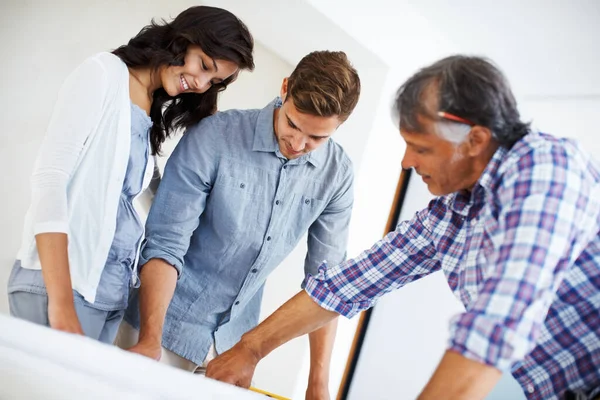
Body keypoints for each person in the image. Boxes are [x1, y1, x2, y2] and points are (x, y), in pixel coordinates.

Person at [204, 55, 600, 400]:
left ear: (475, 140)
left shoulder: (546, 171)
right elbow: (347, 284)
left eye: (422, 148)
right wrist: (250, 350)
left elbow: (495, 328)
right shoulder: (450, 213)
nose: (406, 162)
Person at [115, 50, 361, 400]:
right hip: (157, 326)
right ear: (285, 88)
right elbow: (167, 243)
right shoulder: (215, 136)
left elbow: (328, 284)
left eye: (317, 138)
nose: (298, 143)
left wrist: (318, 385)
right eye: (292, 123)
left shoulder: (337, 175)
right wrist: (150, 340)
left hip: (232, 351)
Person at [7, 6, 254, 345]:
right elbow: (50, 180)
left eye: (214, 82)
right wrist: (61, 302)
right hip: (65, 289)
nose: (200, 84)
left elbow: (160, 197)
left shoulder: (148, 108)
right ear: (184, 39)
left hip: (107, 297)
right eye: (204, 66)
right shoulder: (103, 74)